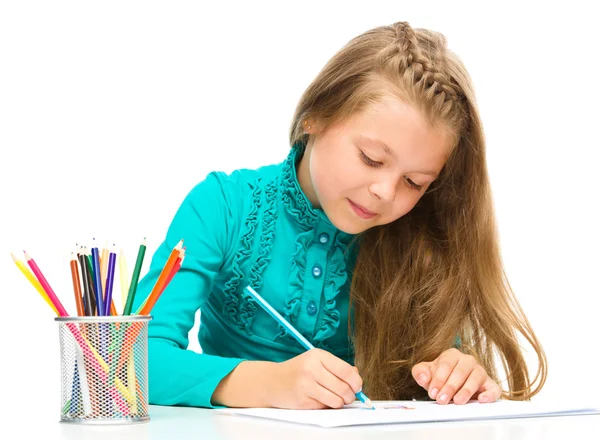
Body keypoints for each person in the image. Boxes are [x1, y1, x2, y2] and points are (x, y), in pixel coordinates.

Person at [132, 21, 547, 409]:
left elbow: (436, 383)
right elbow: (129, 361)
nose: (385, 193)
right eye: (371, 158)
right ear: (314, 117)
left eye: (415, 183)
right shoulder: (223, 207)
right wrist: (269, 384)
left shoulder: (419, 240)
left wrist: (458, 378)